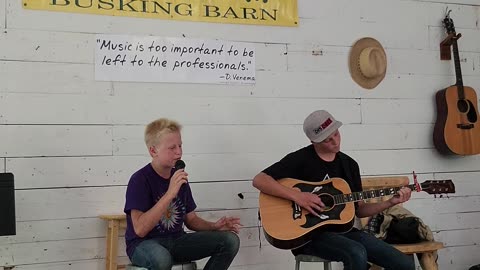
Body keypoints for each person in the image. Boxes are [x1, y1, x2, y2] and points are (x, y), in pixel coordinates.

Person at [252, 110, 415, 270]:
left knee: (404, 264)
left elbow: (360, 209)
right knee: (356, 253)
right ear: (313, 141)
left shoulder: (349, 165)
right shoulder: (300, 159)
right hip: (309, 236)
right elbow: (259, 180)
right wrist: (298, 196)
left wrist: (390, 202)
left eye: (336, 134)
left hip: (344, 232)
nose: (335, 142)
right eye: (327, 140)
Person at [124, 118, 241, 270]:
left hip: (177, 240)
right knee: (162, 259)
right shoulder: (140, 179)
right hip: (143, 244)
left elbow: (191, 219)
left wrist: (214, 226)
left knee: (230, 241)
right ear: (153, 151)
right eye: (172, 148)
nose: (179, 152)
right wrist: (169, 194)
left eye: (180, 145)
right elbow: (139, 229)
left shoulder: (179, 177)